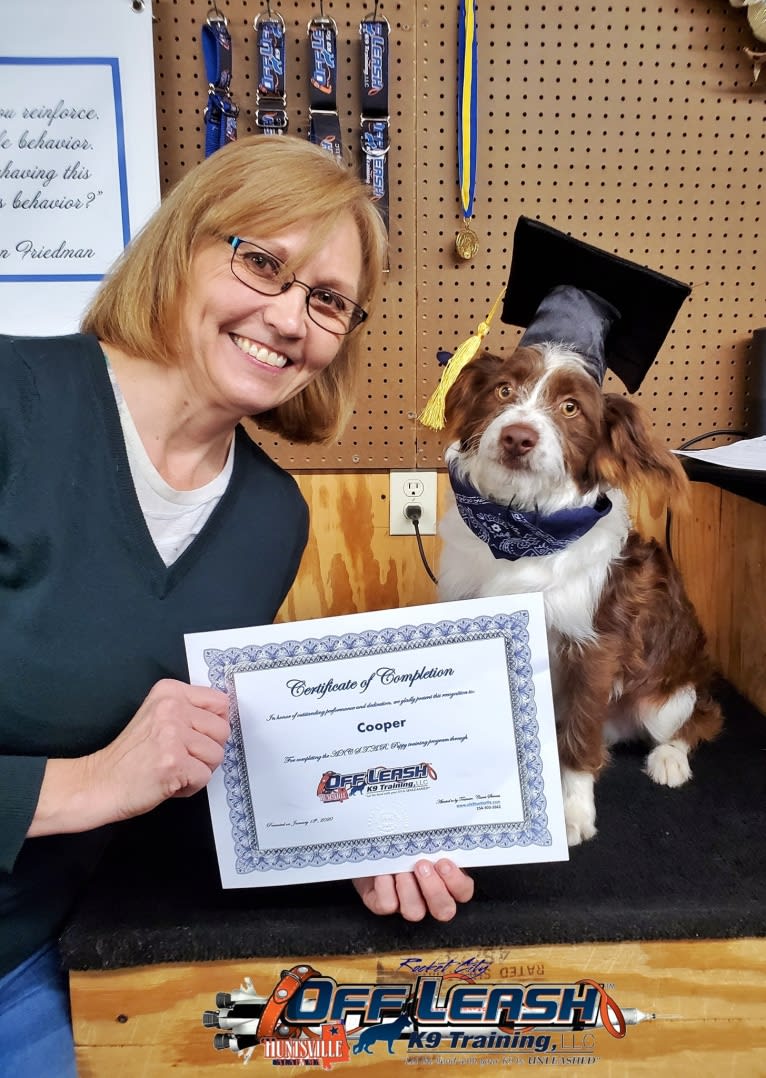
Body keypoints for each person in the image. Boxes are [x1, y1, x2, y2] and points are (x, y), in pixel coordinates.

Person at [0, 135, 473, 1074]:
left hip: (60, 961)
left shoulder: (269, 518)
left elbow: (179, 767)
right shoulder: (15, 402)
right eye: (263, 261)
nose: (290, 317)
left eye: (328, 300)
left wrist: (350, 829)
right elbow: (119, 772)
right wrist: (87, 783)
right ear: (181, 247)